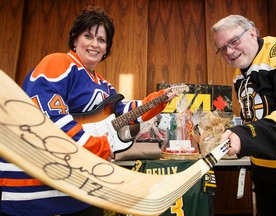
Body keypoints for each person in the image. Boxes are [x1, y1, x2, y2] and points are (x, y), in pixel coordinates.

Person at [0, 6, 176, 216]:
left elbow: (124, 113)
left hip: (80, 189)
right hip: (35, 189)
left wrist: (158, 99)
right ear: (75, 39)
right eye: (88, 36)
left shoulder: (104, 85)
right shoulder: (58, 62)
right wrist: (97, 146)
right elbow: (48, 118)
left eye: (101, 40)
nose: (95, 44)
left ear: (106, 48)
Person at [212, 15, 276, 215]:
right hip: (263, 169)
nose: (229, 51)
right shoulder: (239, 73)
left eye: (234, 41)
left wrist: (245, 135)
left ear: (252, 32)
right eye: (222, 48)